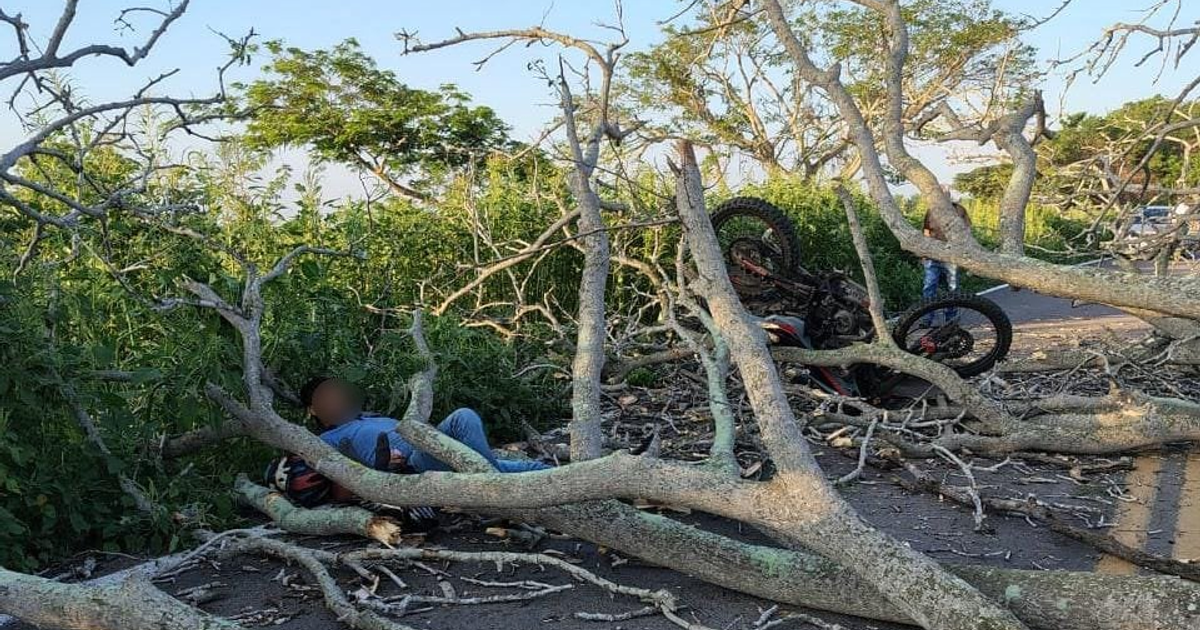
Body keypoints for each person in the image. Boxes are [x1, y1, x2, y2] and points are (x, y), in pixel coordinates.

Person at [299, 376, 549, 474]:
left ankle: (573, 479)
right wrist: (382, 466)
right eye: (326, 397)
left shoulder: (369, 417)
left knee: (531, 467)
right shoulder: (326, 440)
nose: (336, 399)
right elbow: (343, 476)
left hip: (435, 448)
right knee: (463, 417)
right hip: (412, 465)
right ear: (312, 409)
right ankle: (496, 486)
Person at [920, 201, 971, 324]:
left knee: (952, 288)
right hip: (933, 256)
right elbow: (926, 231)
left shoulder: (959, 210)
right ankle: (927, 318)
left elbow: (968, 229)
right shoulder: (931, 210)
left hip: (951, 257)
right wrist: (924, 253)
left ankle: (950, 319)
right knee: (929, 286)